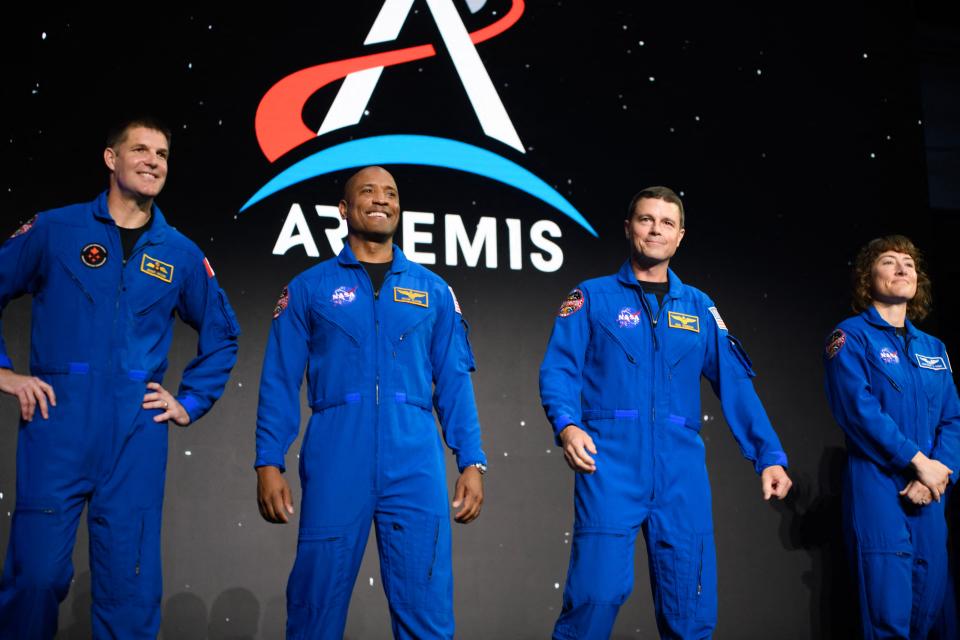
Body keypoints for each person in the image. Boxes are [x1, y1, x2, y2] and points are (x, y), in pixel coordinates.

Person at [0, 116, 240, 638]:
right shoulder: (54, 229)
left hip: (136, 434)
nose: (153, 161)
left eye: (162, 154)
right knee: (34, 578)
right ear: (111, 159)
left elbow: (224, 335)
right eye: (141, 150)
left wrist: (190, 401)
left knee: (128, 590)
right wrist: (5, 373)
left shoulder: (180, 252)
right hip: (56, 425)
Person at [539, 186, 792, 639]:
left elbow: (736, 384)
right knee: (593, 600)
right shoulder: (592, 297)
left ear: (680, 237)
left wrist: (768, 455)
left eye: (667, 223)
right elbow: (559, 369)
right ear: (628, 228)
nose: (656, 229)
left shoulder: (699, 307)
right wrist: (568, 423)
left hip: (681, 473)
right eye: (646, 219)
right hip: (610, 464)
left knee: (690, 610)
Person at [255, 166, 486, 639]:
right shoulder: (308, 289)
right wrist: (267, 461)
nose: (381, 200)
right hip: (337, 452)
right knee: (314, 606)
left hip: (414, 458)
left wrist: (472, 461)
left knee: (427, 607)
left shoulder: (433, 291)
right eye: (368, 191)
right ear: (344, 209)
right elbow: (278, 380)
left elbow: (455, 381)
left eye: (391, 193)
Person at [823, 235, 958, 639]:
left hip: (932, 492)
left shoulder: (933, 347)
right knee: (888, 614)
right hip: (880, 488)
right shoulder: (849, 337)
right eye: (889, 262)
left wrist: (939, 471)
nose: (902, 269)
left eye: (909, 264)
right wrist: (917, 463)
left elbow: (953, 418)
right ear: (868, 277)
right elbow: (859, 412)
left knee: (931, 610)